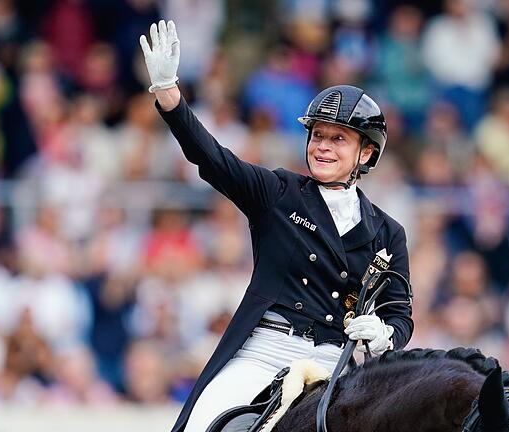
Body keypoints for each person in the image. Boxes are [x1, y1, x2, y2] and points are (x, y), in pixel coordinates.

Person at [140, 20, 413, 432]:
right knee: (201, 424)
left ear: (367, 152)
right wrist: (170, 96)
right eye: (318, 135)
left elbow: (400, 312)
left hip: (334, 364)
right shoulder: (279, 193)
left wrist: (383, 334)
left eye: (338, 139)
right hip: (264, 351)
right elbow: (213, 159)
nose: (322, 146)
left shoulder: (387, 231)